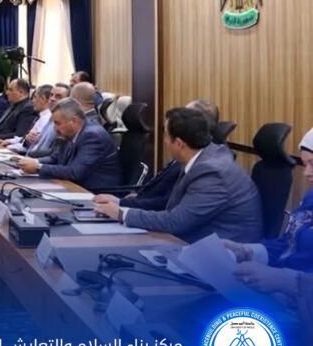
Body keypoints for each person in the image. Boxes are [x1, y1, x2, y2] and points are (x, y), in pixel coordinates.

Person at [92, 107, 262, 243]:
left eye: (166, 135)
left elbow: (176, 222)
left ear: (179, 143)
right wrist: (122, 203)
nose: (164, 141)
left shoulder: (212, 173)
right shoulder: (201, 157)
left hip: (224, 254)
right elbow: (171, 203)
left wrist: (122, 213)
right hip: (195, 240)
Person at [224, 127, 313, 272]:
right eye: (305, 164)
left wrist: (280, 278)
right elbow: (287, 243)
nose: (306, 173)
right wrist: (246, 251)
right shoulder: (311, 197)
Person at [120, 99, 221, 211]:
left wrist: (123, 206)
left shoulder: (196, 161)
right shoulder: (186, 151)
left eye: (184, 115)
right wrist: (137, 198)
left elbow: (168, 204)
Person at [17, 99, 121, 191]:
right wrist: (33, 162)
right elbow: (55, 158)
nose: (55, 128)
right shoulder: (70, 133)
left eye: (57, 123)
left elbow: (75, 172)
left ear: (74, 121)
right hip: (75, 186)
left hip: (96, 193)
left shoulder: (92, 135)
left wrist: (38, 167)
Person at [5, 84, 52, 153]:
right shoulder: (40, 116)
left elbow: (32, 145)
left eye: (35, 97)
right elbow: (26, 138)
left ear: (43, 99)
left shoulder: (46, 119)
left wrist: (9, 147)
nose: (32, 101)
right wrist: (10, 141)